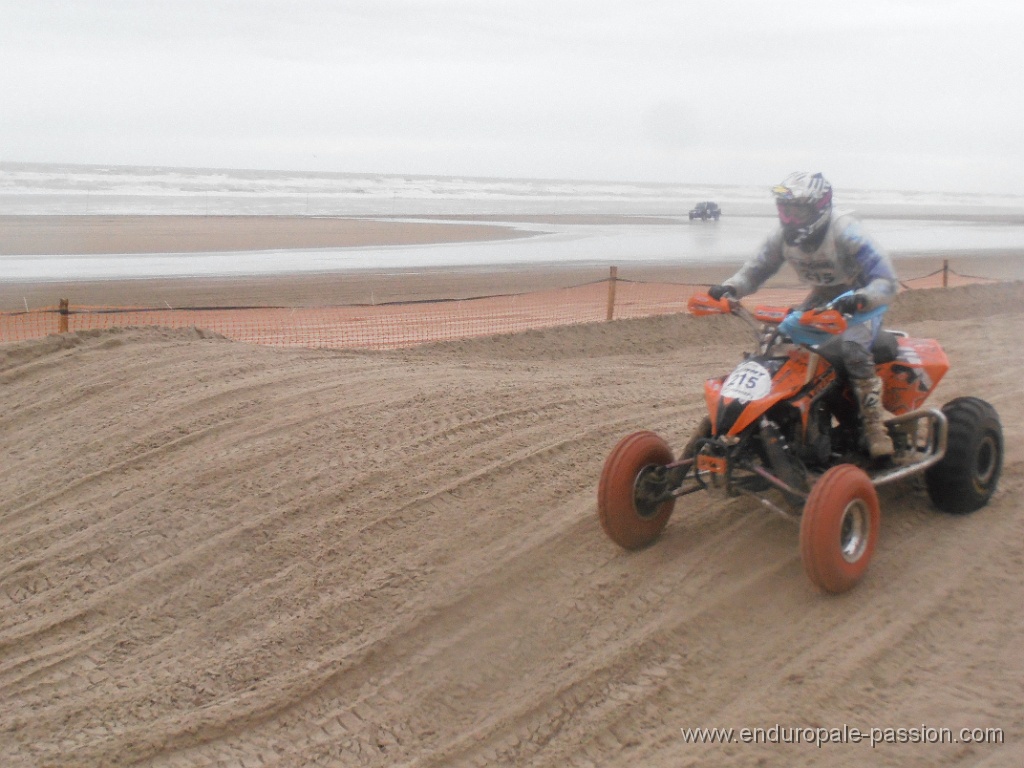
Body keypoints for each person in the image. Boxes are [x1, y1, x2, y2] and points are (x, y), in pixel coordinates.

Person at [707, 171, 899, 458]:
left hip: (860, 298)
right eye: (785, 210)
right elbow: (757, 268)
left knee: (852, 348)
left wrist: (862, 298)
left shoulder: (846, 231)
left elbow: (885, 280)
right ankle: (778, 415)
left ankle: (874, 427)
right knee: (776, 341)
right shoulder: (782, 236)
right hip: (822, 296)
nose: (789, 218)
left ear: (819, 207)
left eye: (797, 210)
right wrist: (731, 287)